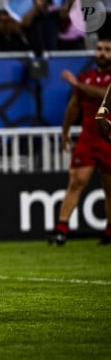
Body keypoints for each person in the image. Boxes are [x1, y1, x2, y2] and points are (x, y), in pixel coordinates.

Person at [46, 37, 111, 246]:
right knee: (76, 181)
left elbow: (104, 95)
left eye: (107, 50)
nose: (102, 53)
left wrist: (76, 84)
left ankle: (109, 231)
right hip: (89, 137)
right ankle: (61, 229)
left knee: (110, 188)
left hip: (108, 139)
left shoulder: (83, 81)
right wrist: (65, 131)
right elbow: (75, 105)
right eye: (100, 49)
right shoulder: (87, 77)